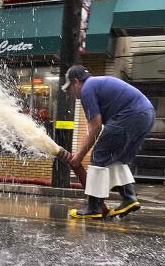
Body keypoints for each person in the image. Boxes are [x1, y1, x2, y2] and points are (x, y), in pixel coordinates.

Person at [60, 65, 155, 219]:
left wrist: (79, 155)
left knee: (98, 156)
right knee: (114, 158)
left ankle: (93, 207)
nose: (70, 93)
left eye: (70, 88)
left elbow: (95, 126)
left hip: (131, 114)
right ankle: (129, 198)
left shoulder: (87, 89)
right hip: (146, 115)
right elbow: (96, 127)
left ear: (76, 82)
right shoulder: (98, 84)